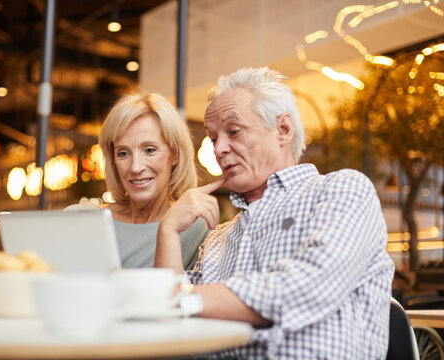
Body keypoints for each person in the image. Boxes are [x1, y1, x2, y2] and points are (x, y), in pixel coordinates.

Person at [155, 67, 395, 359]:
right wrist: (168, 230)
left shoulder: (341, 191)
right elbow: (169, 326)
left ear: (283, 129)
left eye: (233, 131)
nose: (219, 149)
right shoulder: (219, 237)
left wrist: (182, 300)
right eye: (213, 138)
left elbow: (309, 286)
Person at [67, 92, 208, 269]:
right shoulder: (80, 218)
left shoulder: (194, 230)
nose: (135, 167)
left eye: (149, 150)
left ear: (176, 154)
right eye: (123, 153)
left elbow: (183, 295)